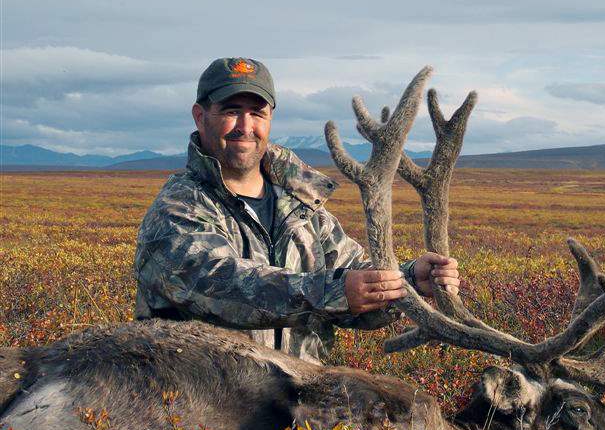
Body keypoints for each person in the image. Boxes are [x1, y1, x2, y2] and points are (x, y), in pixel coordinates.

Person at [134, 57, 460, 361]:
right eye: (231, 111)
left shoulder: (301, 204)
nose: (245, 126)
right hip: (203, 412)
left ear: (270, 118)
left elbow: (352, 279)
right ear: (200, 116)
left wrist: (410, 280)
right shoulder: (177, 209)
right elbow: (219, 287)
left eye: (257, 113)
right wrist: (333, 292)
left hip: (302, 408)